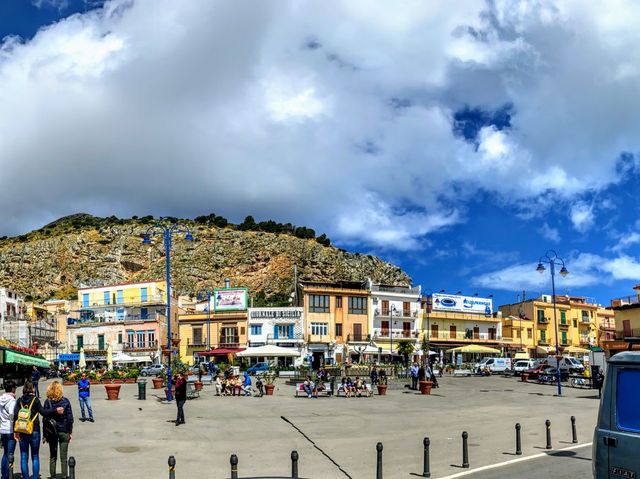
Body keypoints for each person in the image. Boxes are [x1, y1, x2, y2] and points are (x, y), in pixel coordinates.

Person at [13, 381, 62, 479]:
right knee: (35, 456)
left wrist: (15, 431)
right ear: (32, 389)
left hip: (22, 431)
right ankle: (35, 477)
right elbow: (44, 412)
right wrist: (55, 410)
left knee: (23, 455)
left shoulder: (19, 400)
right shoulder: (35, 400)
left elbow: (15, 415)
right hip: (34, 430)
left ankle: (26, 477)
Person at [44, 381, 73, 479]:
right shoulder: (66, 401)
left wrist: (44, 434)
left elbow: (45, 419)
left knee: (53, 456)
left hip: (52, 432)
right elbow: (70, 419)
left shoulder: (47, 402)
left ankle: (53, 476)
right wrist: (70, 432)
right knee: (63, 457)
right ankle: (64, 476)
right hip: (64, 430)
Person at [0, 380, 17, 479]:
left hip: (2, 430)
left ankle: (4, 475)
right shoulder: (12, 400)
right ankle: (8, 476)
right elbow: (11, 413)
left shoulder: (1, 398)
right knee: (10, 455)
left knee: (5, 454)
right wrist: (13, 423)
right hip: (10, 430)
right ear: (13, 388)